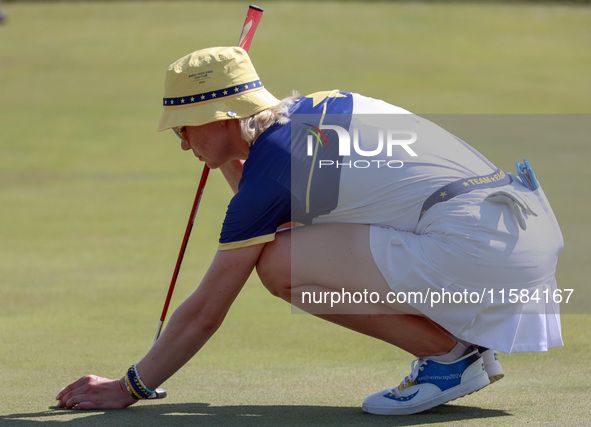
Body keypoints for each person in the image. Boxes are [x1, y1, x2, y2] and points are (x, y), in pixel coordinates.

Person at [56, 46, 564, 415]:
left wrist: (130, 388)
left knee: (282, 265)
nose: (183, 144)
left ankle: (449, 357)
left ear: (224, 116)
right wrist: (235, 155)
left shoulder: (277, 167)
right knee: (293, 247)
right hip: (515, 229)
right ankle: (456, 344)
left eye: (186, 126)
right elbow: (282, 214)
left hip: (481, 247)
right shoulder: (311, 114)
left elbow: (207, 311)